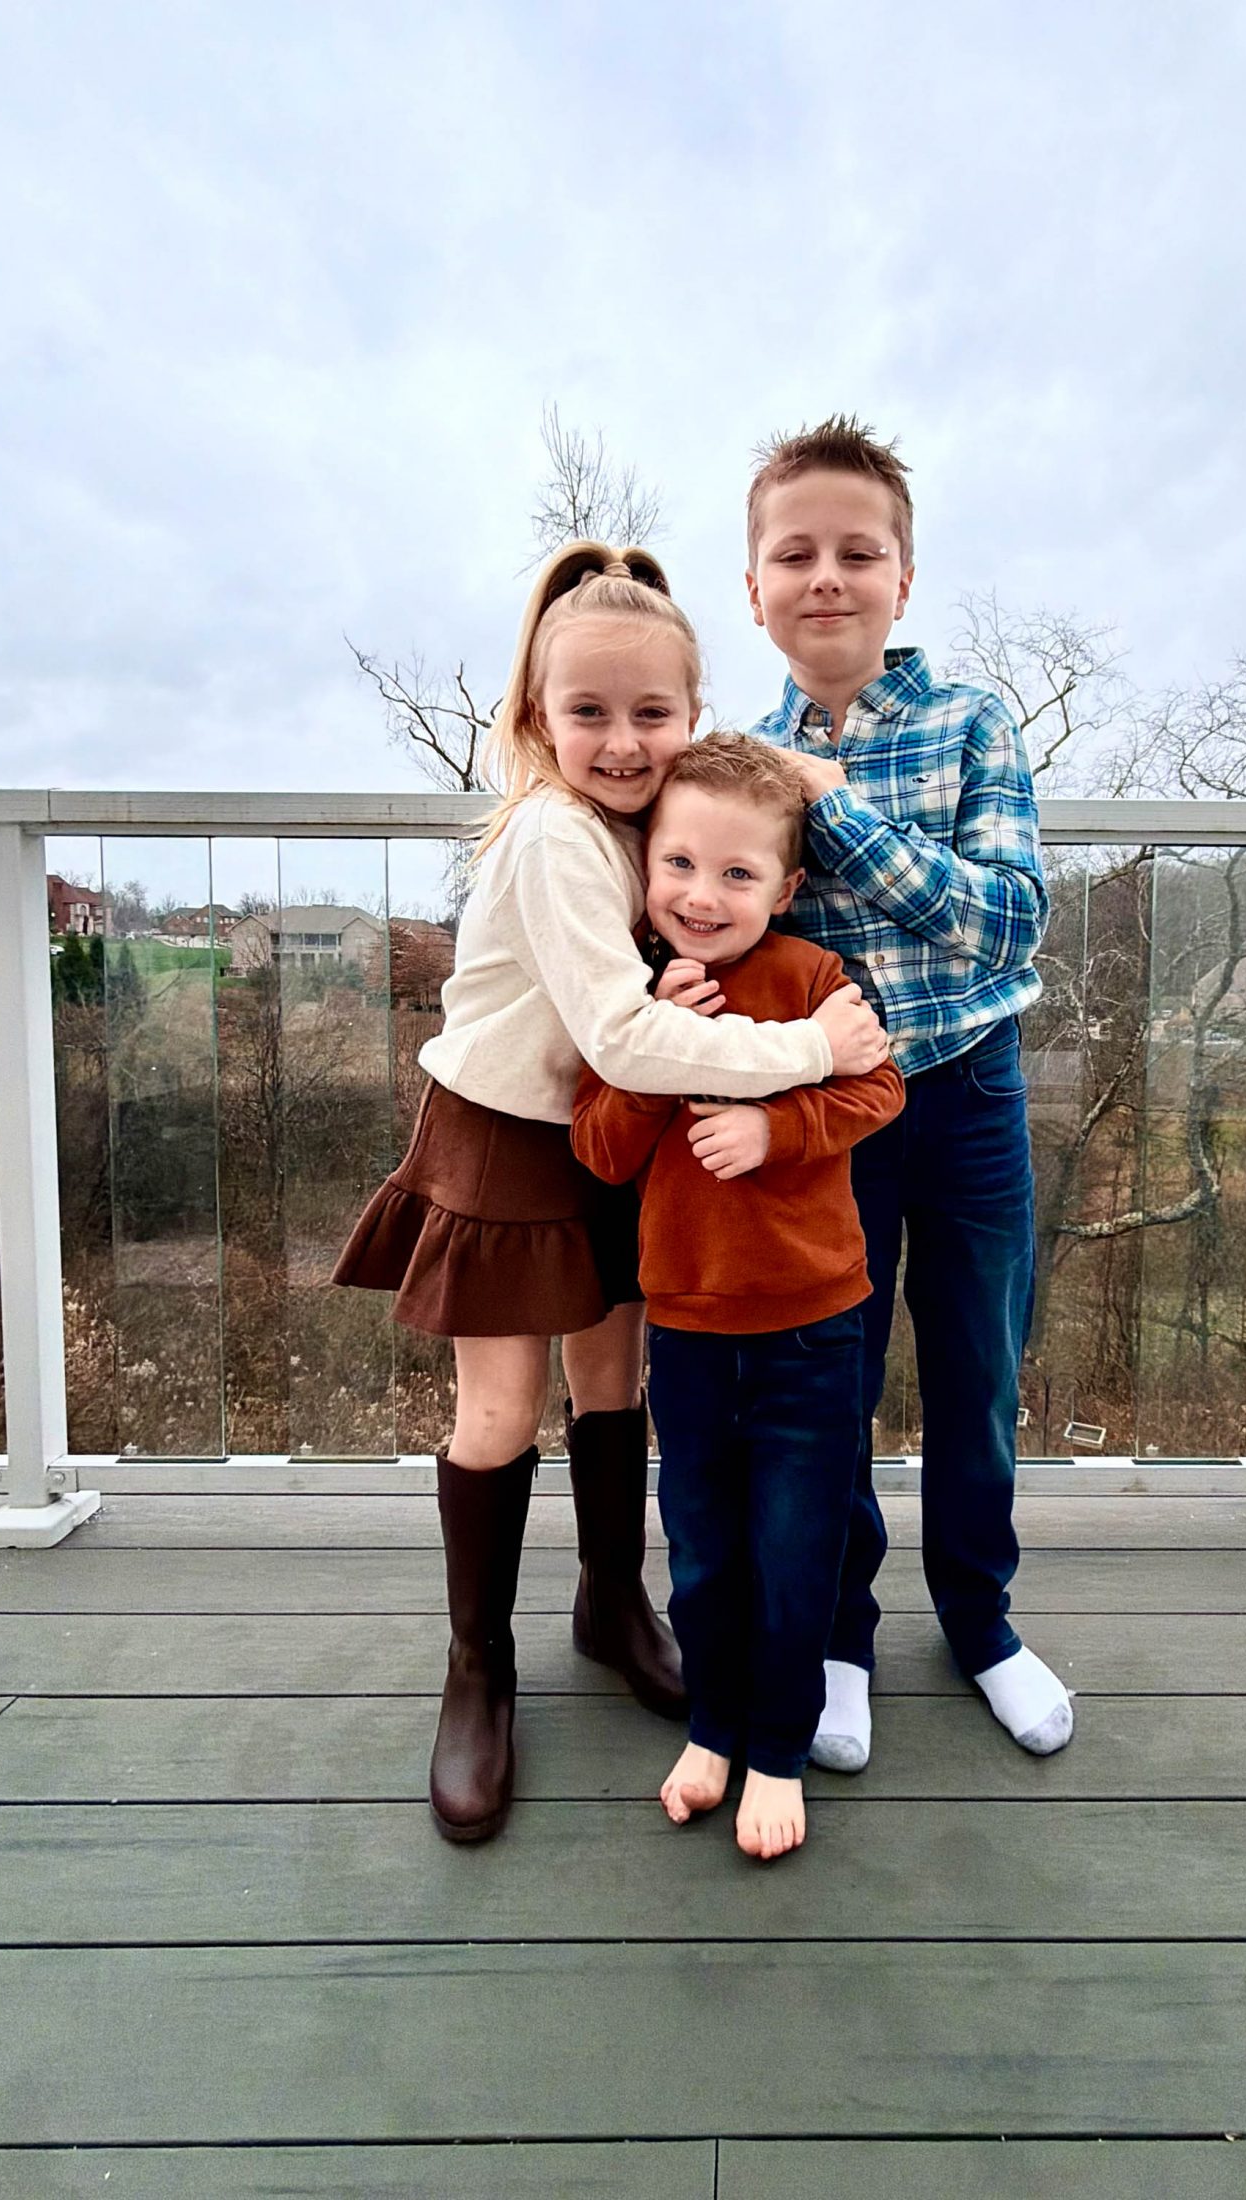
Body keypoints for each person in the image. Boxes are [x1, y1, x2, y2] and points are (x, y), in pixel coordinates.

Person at [333, 545, 889, 1845]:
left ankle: (611, 1601)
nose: (626, 742)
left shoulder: (656, 819)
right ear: (538, 715)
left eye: (653, 713)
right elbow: (628, 1036)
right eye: (589, 712)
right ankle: (478, 1671)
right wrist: (812, 1051)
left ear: (692, 714)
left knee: (612, 1383)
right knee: (497, 1411)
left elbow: (755, 812)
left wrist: (809, 775)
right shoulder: (551, 834)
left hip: (611, 1137)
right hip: (506, 1137)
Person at [744, 416, 1075, 1767]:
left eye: (856, 551)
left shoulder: (969, 721)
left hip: (970, 1096)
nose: (826, 576)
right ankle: (840, 1637)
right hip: (830, 1115)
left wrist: (837, 813)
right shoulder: (738, 760)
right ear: (754, 587)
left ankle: (981, 1622)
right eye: (795, 554)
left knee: (977, 1369)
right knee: (830, 1378)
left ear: (903, 578)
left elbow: (1007, 923)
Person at [573, 736, 904, 1858]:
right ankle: (712, 1728)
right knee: (704, 1552)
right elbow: (601, 1149)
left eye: (737, 873)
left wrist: (776, 1127)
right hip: (690, 1335)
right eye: (678, 865)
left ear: (786, 885)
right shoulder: (635, 994)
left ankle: (777, 1749)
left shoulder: (811, 978)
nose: (702, 897)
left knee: (797, 1553)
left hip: (814, 1330)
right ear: (645, 867)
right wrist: (657, 1050)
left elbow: (878, 1088)